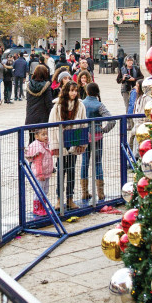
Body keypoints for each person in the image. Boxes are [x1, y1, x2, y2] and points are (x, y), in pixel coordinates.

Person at [48, 81, 87, 210]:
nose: (74, 93)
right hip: (61, 142)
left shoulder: (80, 106)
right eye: (71, 90)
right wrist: (55, 145)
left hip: (74, 142)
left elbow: (83, 125)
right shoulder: (57, 106)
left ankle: (70, 198)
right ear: (66, 91)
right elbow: (52, 127)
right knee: (61, 171)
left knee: (71, 171)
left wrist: (82, 142)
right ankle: (59, 199)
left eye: (75, 91)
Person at [80, 82, 116, 204]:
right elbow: (112, 120)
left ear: (87, 91)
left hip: (85, 136)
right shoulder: (99, 105)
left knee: (84, 163)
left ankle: (84, 192)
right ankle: (100, 193)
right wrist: (104, 129)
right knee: (98, 163)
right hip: (97, 136)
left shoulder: (82, 104)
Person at [24, 128, 54, 216]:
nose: (46, 136)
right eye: (43, 134)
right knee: (39, 191)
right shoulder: (38, 147)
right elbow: (38, 162)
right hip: (40, 174)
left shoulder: (46, 145)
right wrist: (40, 173)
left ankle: (43, 206)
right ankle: (37, 208)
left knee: (45, 190)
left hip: (46, 172)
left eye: (46, 134)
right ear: (36, 136)